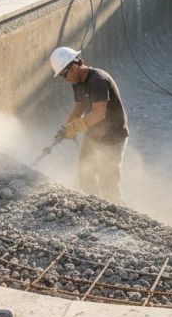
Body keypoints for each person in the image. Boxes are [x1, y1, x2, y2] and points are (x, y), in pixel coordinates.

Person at [50, 46, 128, 203]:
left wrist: (73, 128)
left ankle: (119, 215)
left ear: (73, 66)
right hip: (93, 135)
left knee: (108, 183)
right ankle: (93, 208)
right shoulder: (77, 82)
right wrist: (66, 128)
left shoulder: (98, 80)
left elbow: (99, 113)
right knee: (85, 174)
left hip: (113, 138)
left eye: (64, 74)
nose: (65, 79)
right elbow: (79, 106)